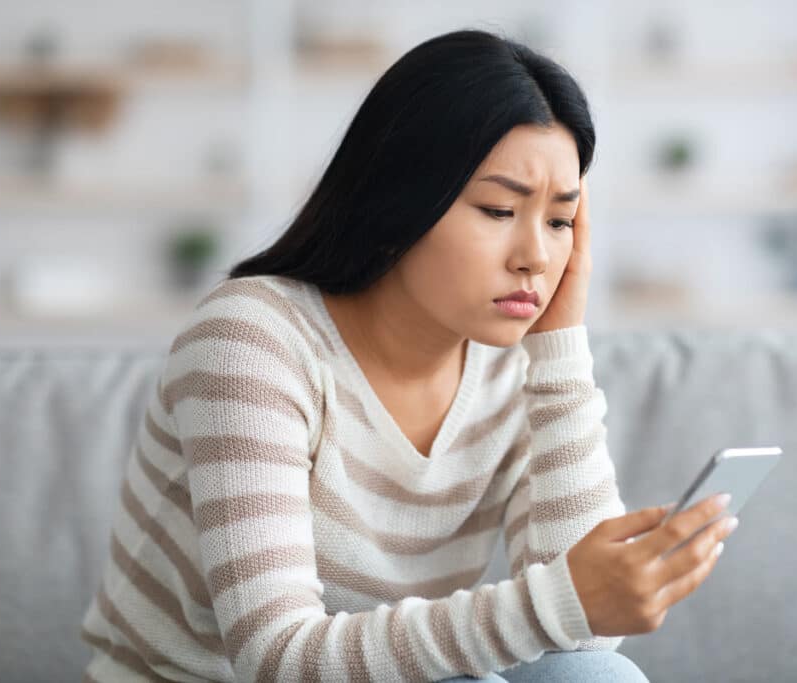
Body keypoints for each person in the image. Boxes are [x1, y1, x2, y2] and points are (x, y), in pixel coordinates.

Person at [79, 28, 737, 682]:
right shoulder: (251, 340)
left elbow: (588, 634)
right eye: (498, 209)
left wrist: (560, 350)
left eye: (560, 221)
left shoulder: (511, 368)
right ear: (401, 199)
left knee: (596, 676)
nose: (536, 256)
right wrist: (555, 604)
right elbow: (275, 656)